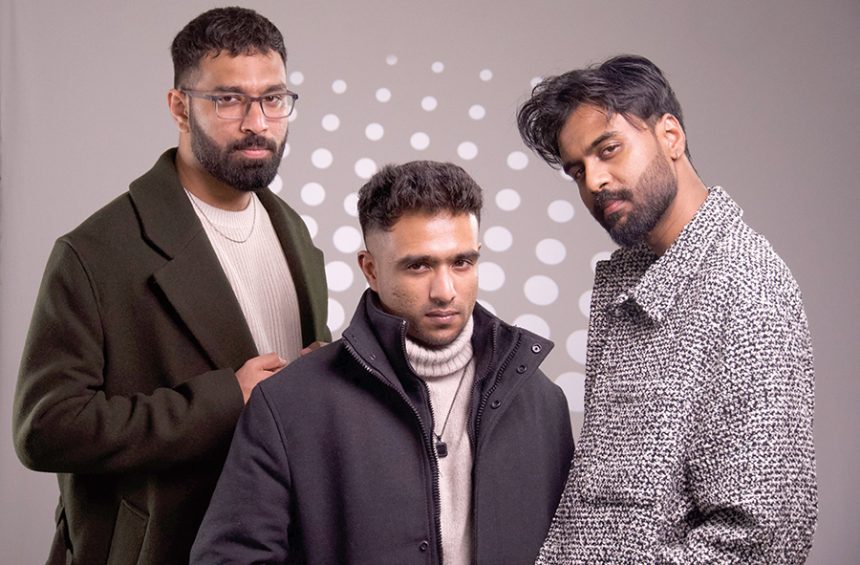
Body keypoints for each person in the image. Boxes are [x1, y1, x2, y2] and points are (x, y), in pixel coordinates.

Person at [12, 7, 330, 564]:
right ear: (180, 107)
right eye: (228, 99)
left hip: (274, 543)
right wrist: (224, 400)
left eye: (273, 98)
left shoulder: (293, 230)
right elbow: (46, 429)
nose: (257, 122)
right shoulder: (95, 251)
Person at [190, 160, 574, 564]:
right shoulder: (288, 404)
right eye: (419, 265)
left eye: (462, 262)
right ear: (370, 269)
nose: (445, 291)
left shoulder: (542, 404)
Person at [517, 55, 816, 563]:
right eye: (577, 170)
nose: (594, 182)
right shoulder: (638, 278)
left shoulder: (745, 286)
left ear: (670, 136)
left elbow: (766, 537)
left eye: (608, 150)